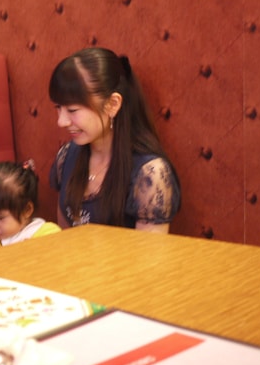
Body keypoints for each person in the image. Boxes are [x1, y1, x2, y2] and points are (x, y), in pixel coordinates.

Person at [48, 47, 181, 233]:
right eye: (58, 108)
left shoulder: (150, 174)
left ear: (112, 104)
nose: (61, 121)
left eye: (72, 110)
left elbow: (149, 251)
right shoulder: (66, 156)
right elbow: (65, 237)